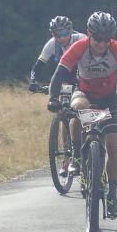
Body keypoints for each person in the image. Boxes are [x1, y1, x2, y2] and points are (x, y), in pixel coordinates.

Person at [47, 11, 117, 220]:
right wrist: (53, 98)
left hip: (108, 99)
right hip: (84, 93)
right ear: (89, 34)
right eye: (97, 39)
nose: (101, 44)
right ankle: (77, 155)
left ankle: (112, 194)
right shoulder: (79, 47)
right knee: (78, 108)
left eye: (106, 39)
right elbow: (59, 73)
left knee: (113, 146)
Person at [29, 16, 85, 175]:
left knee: (80, 111)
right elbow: (38, 66)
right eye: (57, 34)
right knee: (64, 114)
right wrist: (33, 81)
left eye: (64, 33)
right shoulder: (52, 44)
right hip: (64, 80)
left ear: (71, 30)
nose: (61, 38)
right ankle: (67, 158)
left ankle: (87, 143)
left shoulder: (80, 39)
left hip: (81, 77)